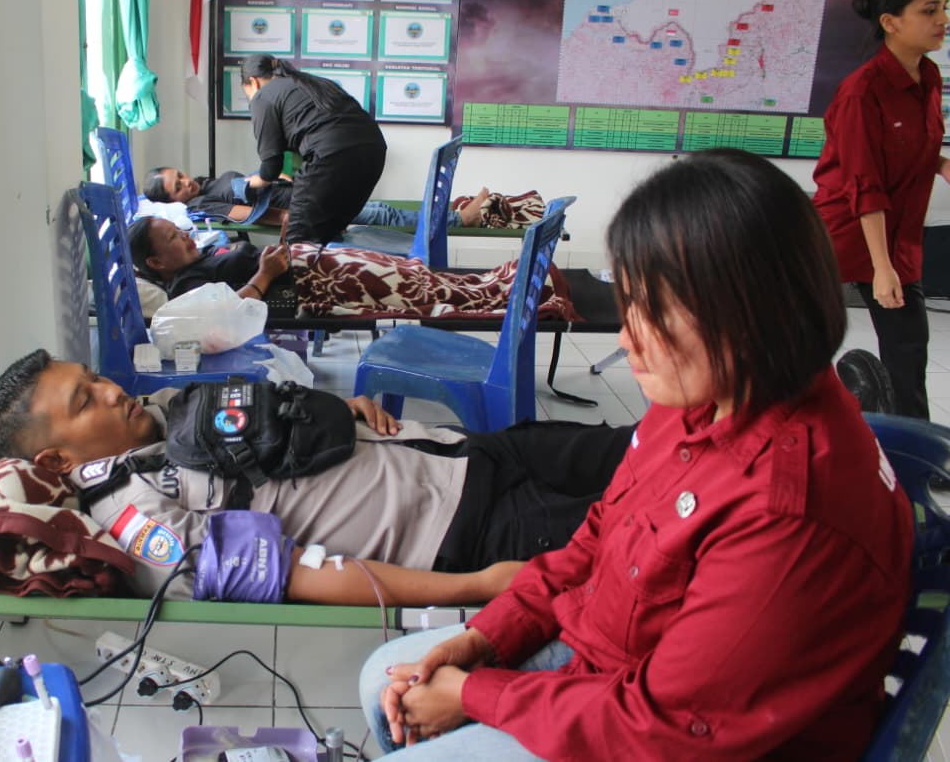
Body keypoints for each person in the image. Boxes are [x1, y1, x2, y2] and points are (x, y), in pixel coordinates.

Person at [359, 149, 914, 760]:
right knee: (385, 682)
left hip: (671, 731)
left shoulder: (790, 510)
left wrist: (475, 694)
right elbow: (602, 532)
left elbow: (664, 727)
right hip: (615, 661)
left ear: (746, 316)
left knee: (416, 714)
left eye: (653, 314)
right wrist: (487, 637)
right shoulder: (709, 393)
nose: (626, 339)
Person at [0, 348, 634, 603]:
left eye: (94, 377)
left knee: (654, 444)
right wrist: (475, 586)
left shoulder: (163, 412)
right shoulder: (138, 514)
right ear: (56, 461)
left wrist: (340, 413)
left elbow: (275, 430)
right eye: (85, 401)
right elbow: (297, 573)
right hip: (475, 528)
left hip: (473, 452)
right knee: (658, 534)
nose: (112, 390)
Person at [813, 0, 950, 419]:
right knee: (802, 341)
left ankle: (912, 447)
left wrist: (942, 164)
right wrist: (881, 267)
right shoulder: (861, 92)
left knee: (908, 352)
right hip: (847, 233)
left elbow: (911, 148)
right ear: (890, 22)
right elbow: (864, 184)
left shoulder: (929, 77)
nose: (942, 20)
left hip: (898, 237)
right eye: (929, 10)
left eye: (944, 7)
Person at [126, 216, 574, 320]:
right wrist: (264, 274)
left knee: (419, 274)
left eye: (179, 229)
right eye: (173, 238)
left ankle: (508, 281)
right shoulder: (185, 285)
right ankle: (521, 291)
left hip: (323, 264)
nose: (184, 235)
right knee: (419, 288)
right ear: (155, 262)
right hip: (319, 286)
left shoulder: (201, 257)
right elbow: (217, 318)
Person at [239, 53, 388, 244]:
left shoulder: (263, 96)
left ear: (254, 82)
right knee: (330, 233)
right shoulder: (311, 82)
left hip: (332, 154)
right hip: (373, 151)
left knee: (299, 240)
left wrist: (251, 182)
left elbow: (270, 168)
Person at [144, 165, 545, 230]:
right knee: (382, 214)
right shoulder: (201, 206)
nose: (186, 182)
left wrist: (280, 176)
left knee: (384, 207)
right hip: (305, 209)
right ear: (172, 200)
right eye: (178, 186)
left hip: (303, 192)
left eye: (180, 176)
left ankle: (455, 211)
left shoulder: (205, 182)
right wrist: (291, 219)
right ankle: (462, 219)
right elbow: (244, 214)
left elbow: (252, 183)